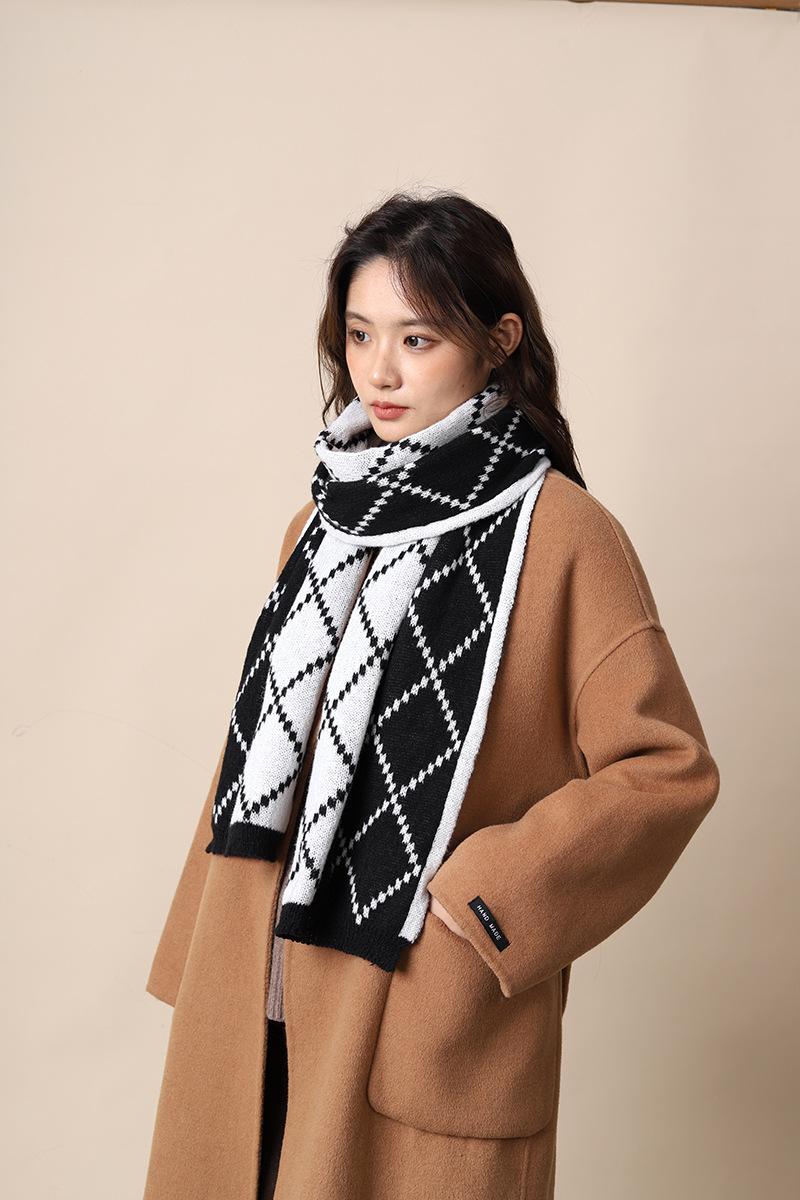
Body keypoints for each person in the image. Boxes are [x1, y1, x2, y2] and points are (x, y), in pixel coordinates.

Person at [143, 190, 720, 1200]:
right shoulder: (321, 524)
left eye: (417, 338)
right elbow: (265, 748)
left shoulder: (562, 535)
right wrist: (202, 944)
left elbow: (663, 769)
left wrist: (482, 906)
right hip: (256, 987)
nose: (379, 370)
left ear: (498, 341)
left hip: (412, 999)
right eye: (360, 334)